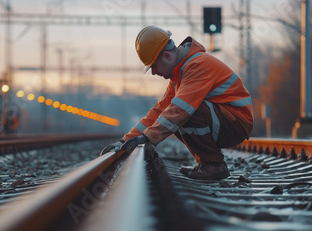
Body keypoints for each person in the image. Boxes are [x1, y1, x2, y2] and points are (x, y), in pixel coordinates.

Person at [101, 26, 253, 180]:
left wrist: (148, 138)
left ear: (167, 56)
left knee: (182, 112)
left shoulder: (196, 65)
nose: (153, 72)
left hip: (237, 123)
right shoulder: (180, 74)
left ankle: (214, 165)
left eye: (153, 66)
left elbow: (180, 110)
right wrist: (125, 140)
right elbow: (159, 111)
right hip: (226, 120)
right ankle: (206, 163)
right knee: (170, 113)